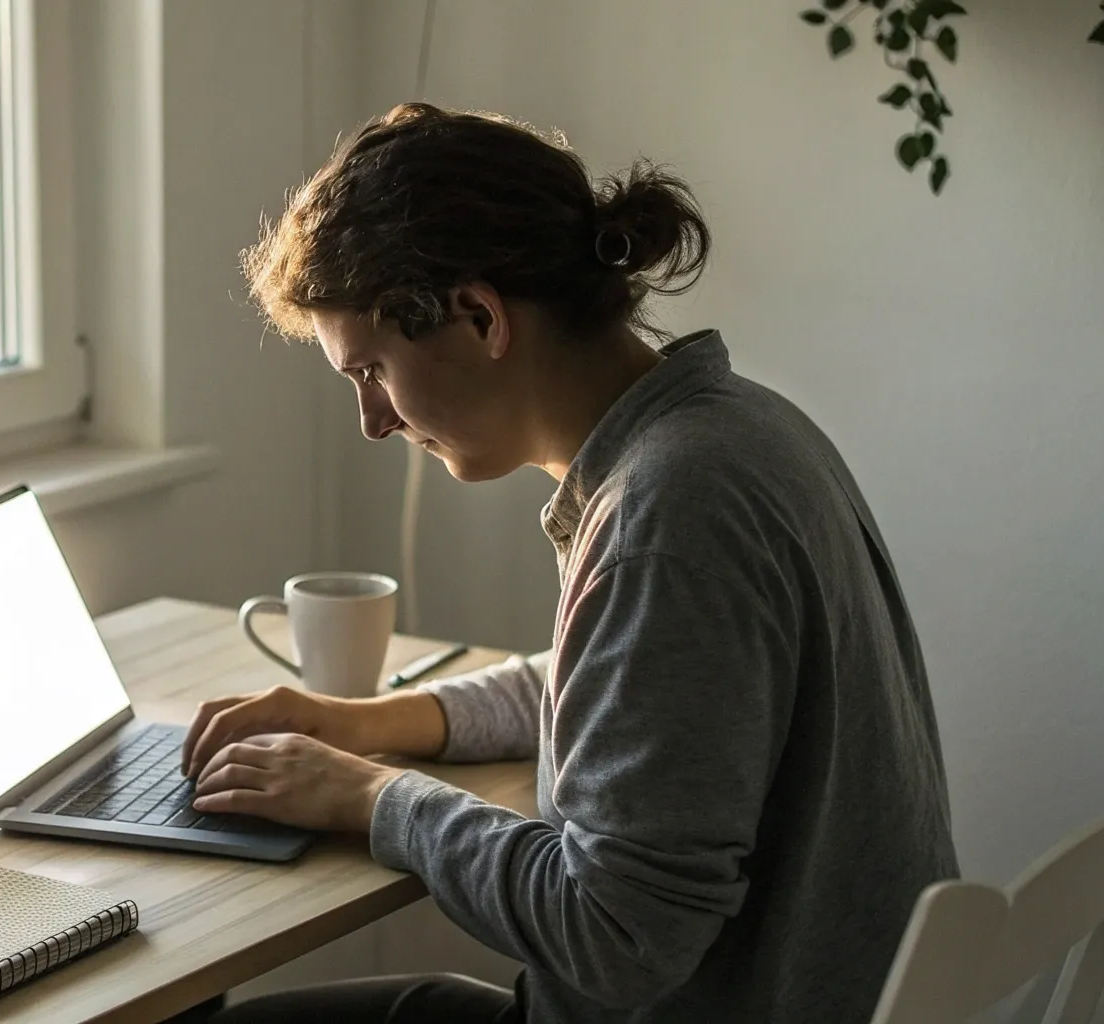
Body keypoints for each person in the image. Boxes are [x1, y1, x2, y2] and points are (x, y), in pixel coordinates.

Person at [177, 103, 958, 1023]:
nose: (374, 421)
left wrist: (376, 797)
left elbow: (617, 934)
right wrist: (366, 723)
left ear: (477, 315)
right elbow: (624, 687)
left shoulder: (667, 516)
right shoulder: (734, 428)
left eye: (373, 371)